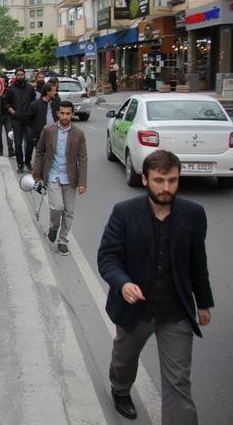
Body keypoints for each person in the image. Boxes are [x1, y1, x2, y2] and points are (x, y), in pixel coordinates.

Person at [97, 150, 214, 423]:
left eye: (172, 180)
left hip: (175, 314)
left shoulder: (194, 215)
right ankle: (121, 389)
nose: (166, 187)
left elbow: (198, 262)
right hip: (134, 312)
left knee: (178, 384)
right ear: (146, 179)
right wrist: (123, 283)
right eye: (159, 180)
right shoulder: (125, 213)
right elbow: (107, 258)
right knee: (124, 361)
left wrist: (204, 303)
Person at [31, 101, 87, 256]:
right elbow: (40, 152)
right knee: (57, 207)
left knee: (69, 212)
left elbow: (82, 159)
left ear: (72, 114)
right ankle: (53, 228)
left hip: (70, 178)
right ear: (58, 113)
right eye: (62, 113)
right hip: (53, 176)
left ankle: (62, 241)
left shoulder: (79, 134)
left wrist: (82, 182)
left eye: (68, 113)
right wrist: (37, 174)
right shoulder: (48, 130)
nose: (65, 116)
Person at [3, 69, 36, 173]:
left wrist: (31, 113)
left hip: (28, 119)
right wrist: (13, 112)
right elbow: (6, 104)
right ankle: (20, 164)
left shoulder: (30, 88)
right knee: (17, 143)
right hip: (16, 120)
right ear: (15, 76)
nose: (20, 76)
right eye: (18, 75)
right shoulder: (11, 89)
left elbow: (34, 102)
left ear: (24, 75)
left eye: (22, 75)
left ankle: (27, 162)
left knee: (30, 141)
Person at [25, 82, 60, 147]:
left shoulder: (55, 103)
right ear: (48, 92)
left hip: (54, 134)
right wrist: (36, 130)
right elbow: (28, 120)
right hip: (40, 136)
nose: (55, 93)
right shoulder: (35, 104)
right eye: (53, 91)